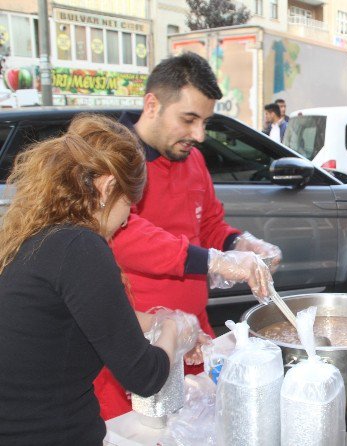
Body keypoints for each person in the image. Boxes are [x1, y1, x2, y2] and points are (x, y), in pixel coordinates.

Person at [95, 52, 281, 420]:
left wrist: (242, 244)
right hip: (139, 341)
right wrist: (214, 260)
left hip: (193, 334)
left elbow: (209, 224)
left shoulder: (191, 159)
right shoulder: (113, 159)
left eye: (205, 122)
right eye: (189, 119)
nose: (199, 135)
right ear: (152, 104)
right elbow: (125, 235)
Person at [0, 115, 202, 445]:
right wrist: (172, 330)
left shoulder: (40, 237)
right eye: (129, 207)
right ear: (107, 188)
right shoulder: (80, 247)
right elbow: (145, 376)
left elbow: (96, 318)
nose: (124, 223)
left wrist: (159, 320)